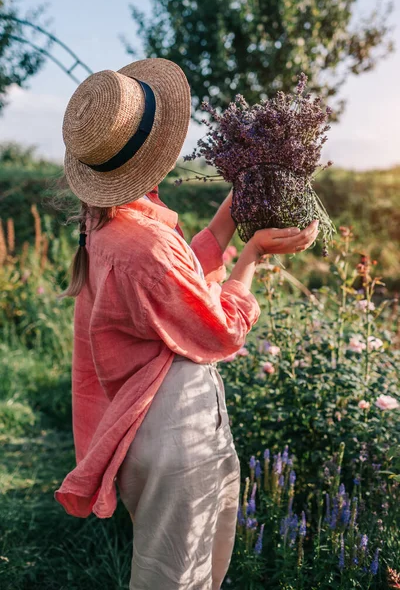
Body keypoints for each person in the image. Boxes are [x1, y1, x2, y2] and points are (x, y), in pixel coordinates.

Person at [53, 57, 319, 590]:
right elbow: (218, 329)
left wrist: (233, 208)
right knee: (176, 578)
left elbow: (178, 285)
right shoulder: (142, 243)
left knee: (194, 569)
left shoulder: (114, 224)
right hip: (173, 430)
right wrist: (251, 258)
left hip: (161, 424)